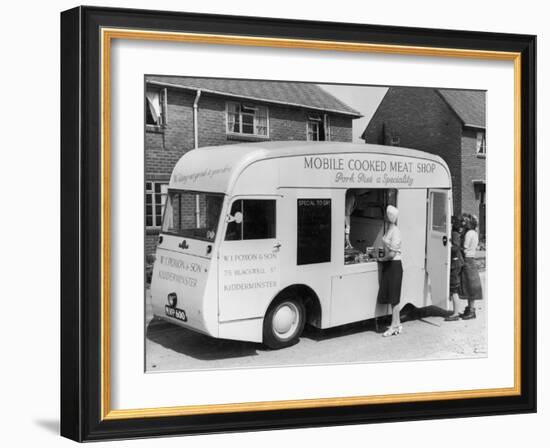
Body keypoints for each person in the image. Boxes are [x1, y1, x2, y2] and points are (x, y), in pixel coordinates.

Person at [377, 205, 403, 337]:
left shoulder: (395, 231)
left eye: (386, 215)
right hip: (390, 264)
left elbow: (392, 253)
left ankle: (394, 325)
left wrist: (382, 259)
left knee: (394, 296)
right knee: (393, 297)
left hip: (394, 264)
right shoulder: (390, 230)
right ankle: (396, 324)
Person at [460, 214, 483, 319]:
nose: (464, 223)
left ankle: (471, 310)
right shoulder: (475, 233)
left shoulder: (469, 233)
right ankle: (470, 308)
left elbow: (464, 247)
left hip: (467, 260)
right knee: (471, 286)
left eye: (466, 221)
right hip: (471, 259)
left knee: (469, 285)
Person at [445, 216, 465, 321]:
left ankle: (456, 313)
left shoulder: (454, 234)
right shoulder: (456, 233)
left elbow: (456, 247)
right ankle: (457, 310)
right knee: (455, 288)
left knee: (453, 288)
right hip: (457, 262)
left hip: (455, 263)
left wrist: (446, 246)